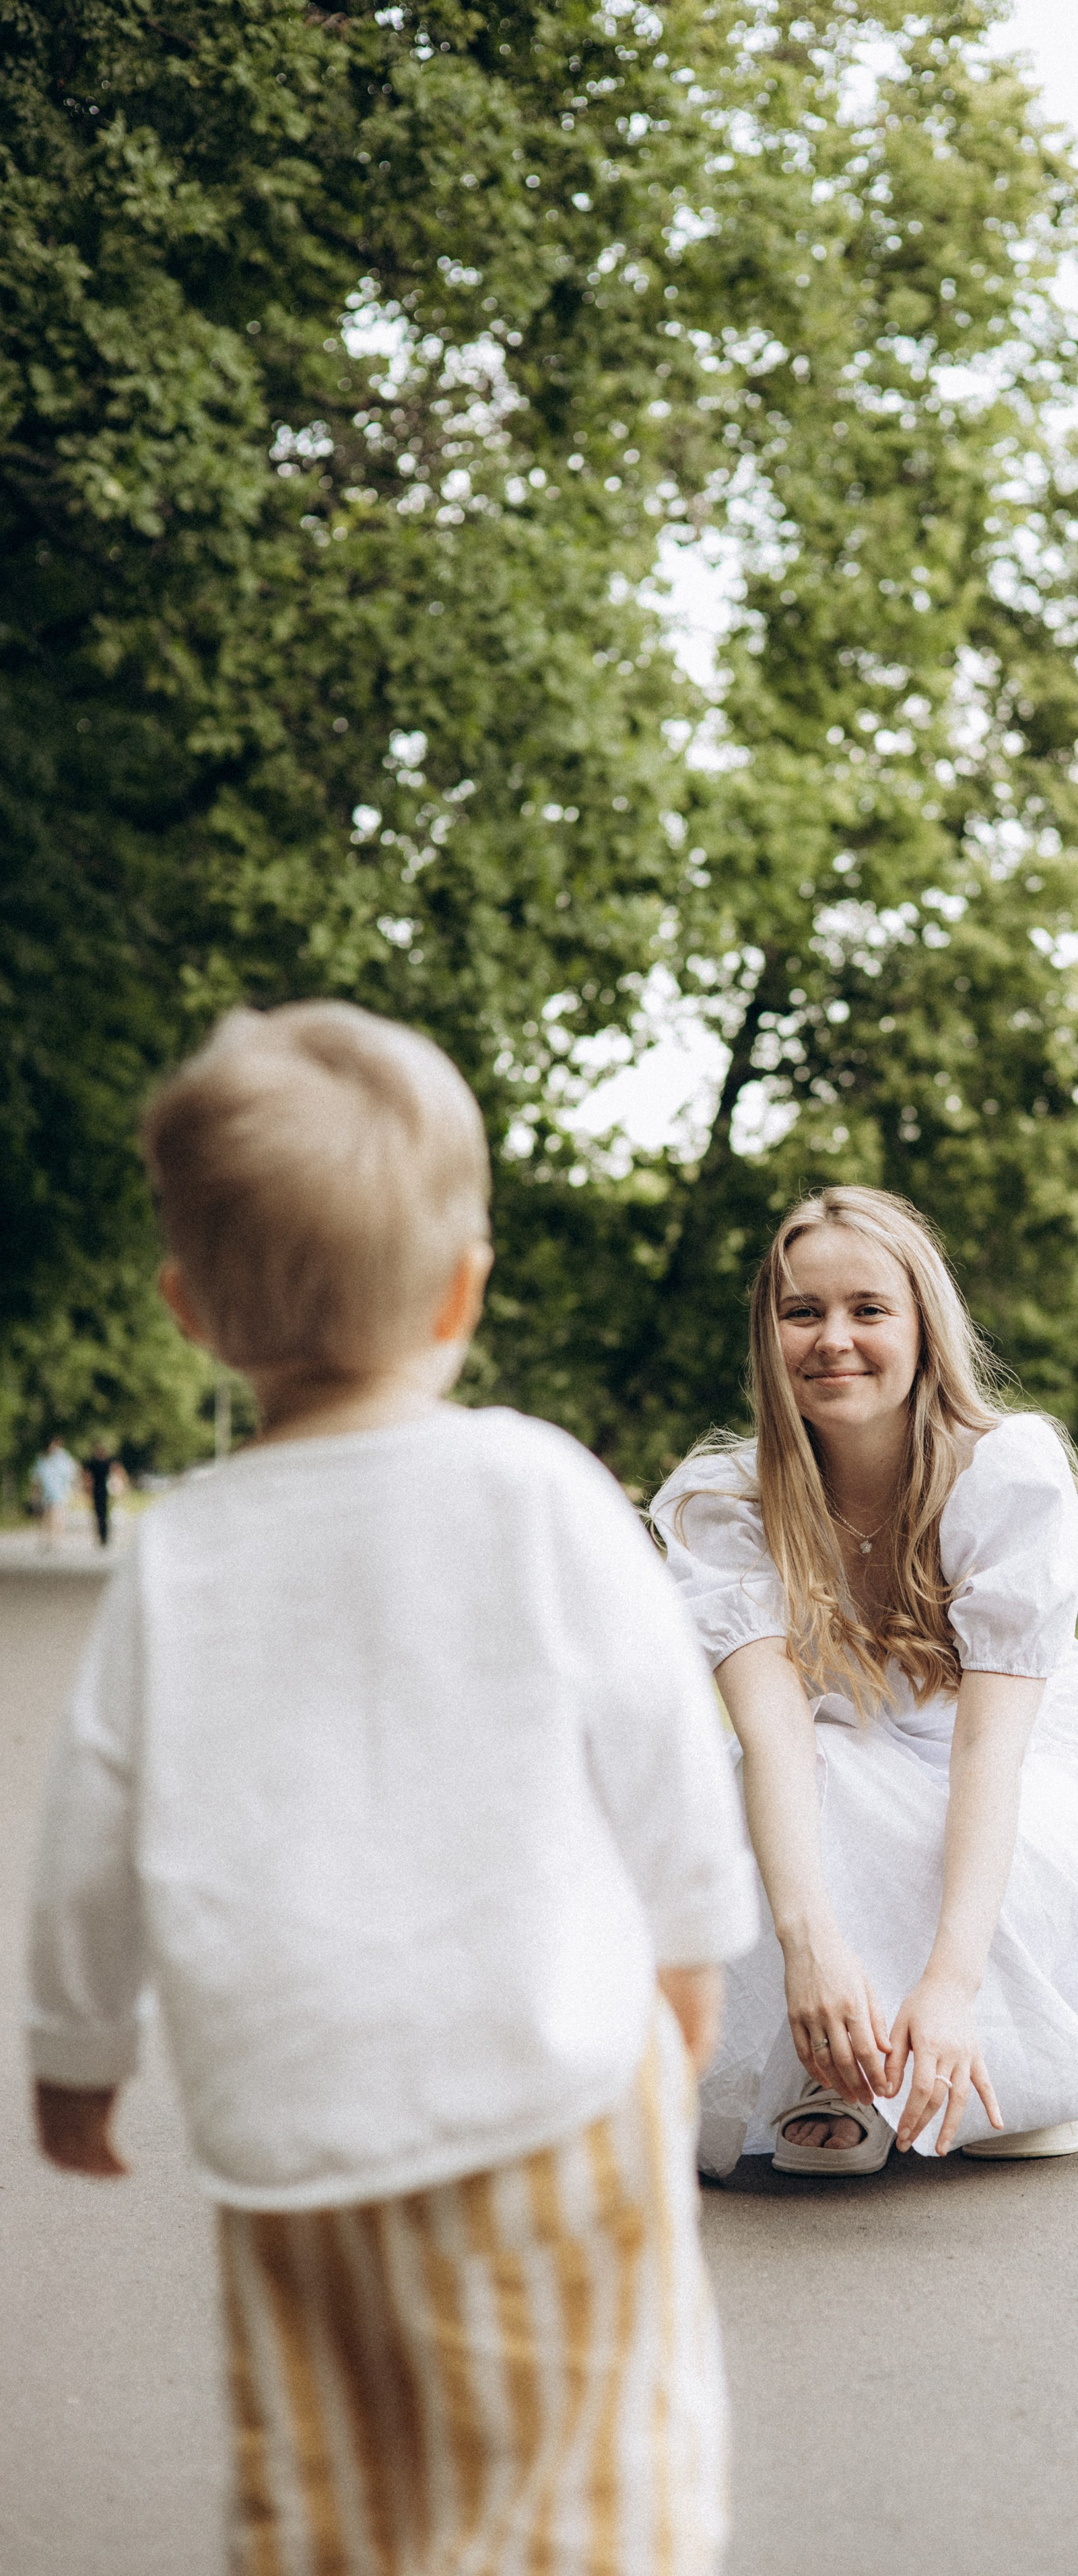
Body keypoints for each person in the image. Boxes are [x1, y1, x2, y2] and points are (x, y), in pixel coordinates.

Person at [28, 1001, 755, 2576]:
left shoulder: (184, 1552)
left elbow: (92, 1828)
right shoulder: (535, 1487)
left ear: (188, 1311)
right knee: (590, 2461)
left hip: (292, 2132)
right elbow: (666, 1756)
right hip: (548, 2088)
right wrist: (689, 1968)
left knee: (335, 2487)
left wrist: (74, 2056)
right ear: (463, 1289)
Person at [651, 1185, 1078, 2181]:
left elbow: (991, 1751)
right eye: (801, 1311)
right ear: (769, 1334)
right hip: (829, 1758)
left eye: (868, 1310)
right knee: (809, 1772)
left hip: (1013, 1763)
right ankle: (838, 2071)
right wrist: (809, 1947)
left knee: (911, 1805)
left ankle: (1004, 2060)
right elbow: (772, 1737)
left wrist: (949, 1980)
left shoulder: (1003, 1475)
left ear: (922, 1326)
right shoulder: (727, 1503)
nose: (833, 1339)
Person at [29, 1435, 79, 1551]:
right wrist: (35, 1494)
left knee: (56, 1517)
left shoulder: (63, 1458)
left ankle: (54, 1541)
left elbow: (71, 1474)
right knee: (44, 1518)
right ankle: (45, 1539)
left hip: (59, 1494)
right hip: (45, 1494)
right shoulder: (41, 1459)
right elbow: (37, 1478)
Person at [82, 1442, 121, 1548]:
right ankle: (101, 1536)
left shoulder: (107, 1462)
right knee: (99, 1515)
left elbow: (116, 1472)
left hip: (105, 1490)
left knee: (104, 1515)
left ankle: (104, 1536)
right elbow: (87, 1476)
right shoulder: (93, 1463)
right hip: (97, 1491)